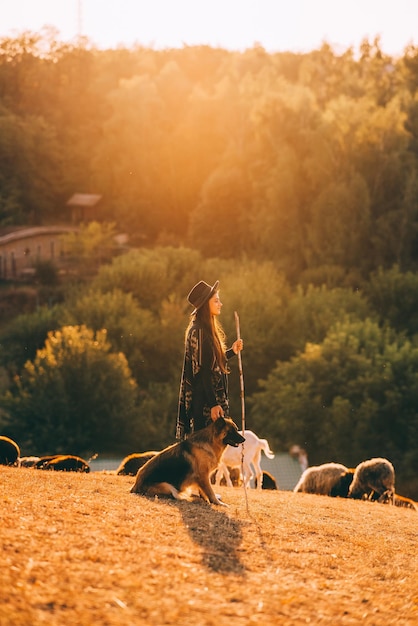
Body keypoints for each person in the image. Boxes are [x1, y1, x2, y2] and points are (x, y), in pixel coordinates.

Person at [176, 280, 244, 440]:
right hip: (203, 402)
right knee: (205, 450)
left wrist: (232, 352)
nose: (220, 303)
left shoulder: (203, 330)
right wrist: (213, 404)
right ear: (206, 305)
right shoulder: (199, 332)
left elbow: (211, 362)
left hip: (206, 399)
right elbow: (203, 372)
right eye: (216, 300)